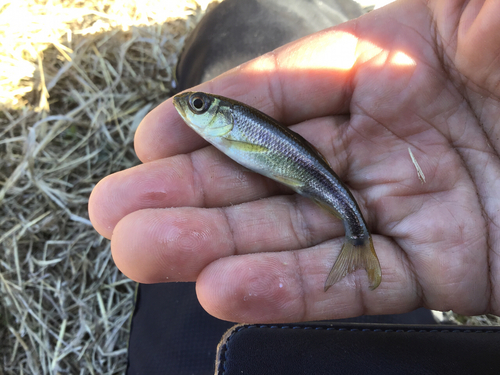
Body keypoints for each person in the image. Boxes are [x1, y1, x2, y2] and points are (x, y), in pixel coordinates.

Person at [89, 0, 500, 372]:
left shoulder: (236, 128)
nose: (189, 105)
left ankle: (357, 241)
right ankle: (357, 242)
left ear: (224, 118)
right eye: (196, 102)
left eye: (200, 105)